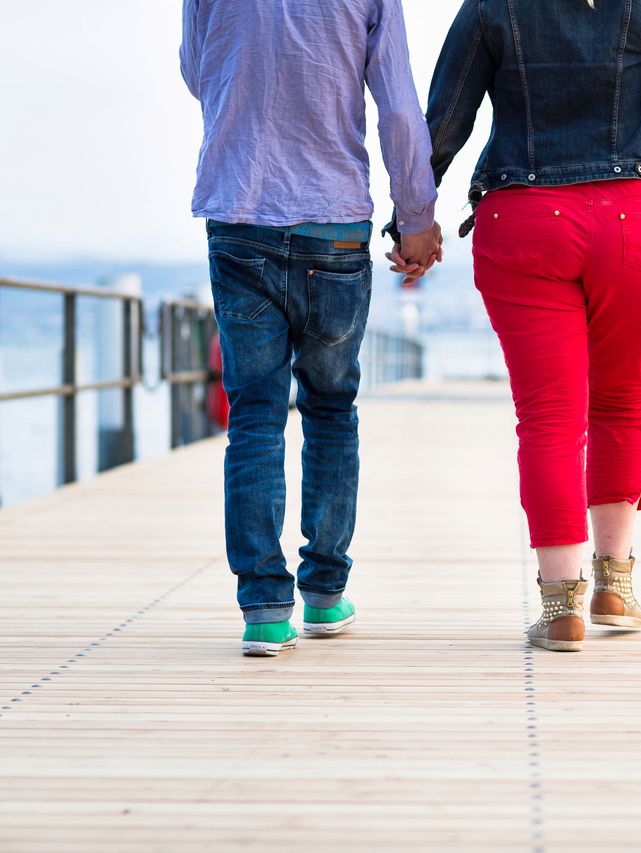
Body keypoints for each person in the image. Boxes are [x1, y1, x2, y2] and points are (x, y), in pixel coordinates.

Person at [417, 0, 641, 652]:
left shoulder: (491, 6)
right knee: (623, 400)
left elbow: (444, 122)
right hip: (636, 219)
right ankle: (616, 587)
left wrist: (412, 216)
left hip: (524, 219)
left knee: (549, 419)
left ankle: (560, 606)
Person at [181, 0, 442, 656]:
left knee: (255, 417)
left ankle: (265, 608)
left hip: (239, 214)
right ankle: (324, 592)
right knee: (329, 409)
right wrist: (416, 216)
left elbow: (196, 67)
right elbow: (399, 104)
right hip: (335, 224)